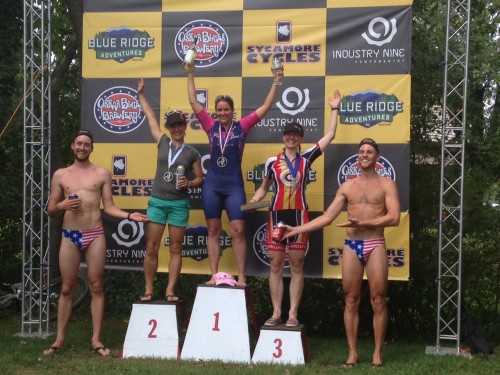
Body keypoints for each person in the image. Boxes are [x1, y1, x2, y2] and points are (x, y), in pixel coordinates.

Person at [282, 138, 400, 367]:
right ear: (358, 157)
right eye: (361, 151)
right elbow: (327, 218)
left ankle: (377, 354)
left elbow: (394, 217)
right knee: (351, 299)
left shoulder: (387, 184)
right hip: (352, 246)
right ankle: (352, 354)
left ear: (377, 157)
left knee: (378, 300)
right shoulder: (347, 186)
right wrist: (296, 229)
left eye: (369, 152)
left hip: (375, 243)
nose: (364, 154)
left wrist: (366, 223)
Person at [43, 129, 149, 356]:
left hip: (95, 233)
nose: (82, 147)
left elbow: (109, 207)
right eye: (79, 143)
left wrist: (130, 216)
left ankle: (96, 340)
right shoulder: (60, 175)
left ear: (92, 148)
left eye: (86, 144)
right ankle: (59, 339)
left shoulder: (102, 173)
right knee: (67, 287)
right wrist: (61, 206)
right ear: (72, 146)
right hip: (70, 234)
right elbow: (51, 209)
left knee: (96, 285)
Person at [184, 61, 284, 286]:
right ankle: (213, 275)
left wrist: (276, 81)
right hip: (212, 184)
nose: (222, 113)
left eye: (226, 110)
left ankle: (241, 276)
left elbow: (266, 107)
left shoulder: (242, 127)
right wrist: (191, 74)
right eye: (219, 110)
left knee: (238, 229)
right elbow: (193, 101)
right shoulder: (210, 125)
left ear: (232, 111)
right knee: (213, 228)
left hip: (234, 185)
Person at [248, 90, 342, 328]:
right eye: (288, 134)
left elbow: (330, 135)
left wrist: (334, 109)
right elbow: (263, 188)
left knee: (297, 264)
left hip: (300, 216)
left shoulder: (307, 157)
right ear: (283, 137)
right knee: (276, 263)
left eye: (296, 135)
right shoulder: (271, 162)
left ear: (300, 138)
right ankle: (276, 312)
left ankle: (292, 314)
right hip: (276, 215)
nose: (291, 138)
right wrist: (254, 200)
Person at [137, 78, 203, 302]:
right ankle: (148, 289)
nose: (176, 128)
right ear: (168, 128)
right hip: (157, 201)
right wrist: (141, 95)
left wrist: (190, 183)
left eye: (180, 125)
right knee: (152, 246)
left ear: (185, 127)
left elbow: (200, 179)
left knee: (176, 247)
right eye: (173, 125)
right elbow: (150, 117)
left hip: (178, 205)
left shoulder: (192, 152)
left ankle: (170, 290)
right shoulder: (162, 140)